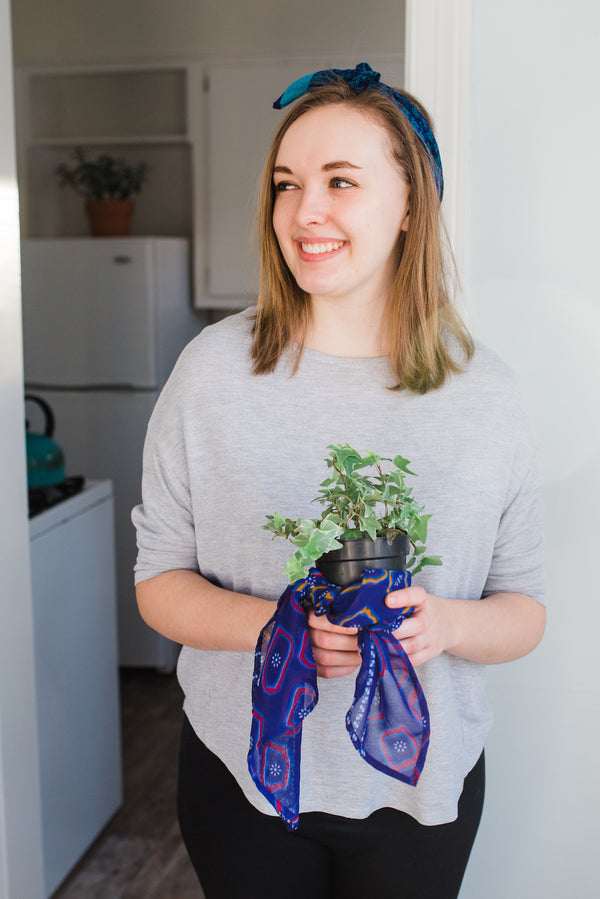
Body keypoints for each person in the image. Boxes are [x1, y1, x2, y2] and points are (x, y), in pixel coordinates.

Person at [132, 63, 546, 899]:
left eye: (340, 181)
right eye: (287, 183)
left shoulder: (489, 394)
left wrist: (448, 625)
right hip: (243, 774)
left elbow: (525, 611)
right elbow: (158, 584)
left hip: (422, 787)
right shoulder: (211, 372)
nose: (303, 211)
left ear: (410, 203)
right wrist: (274, 627)